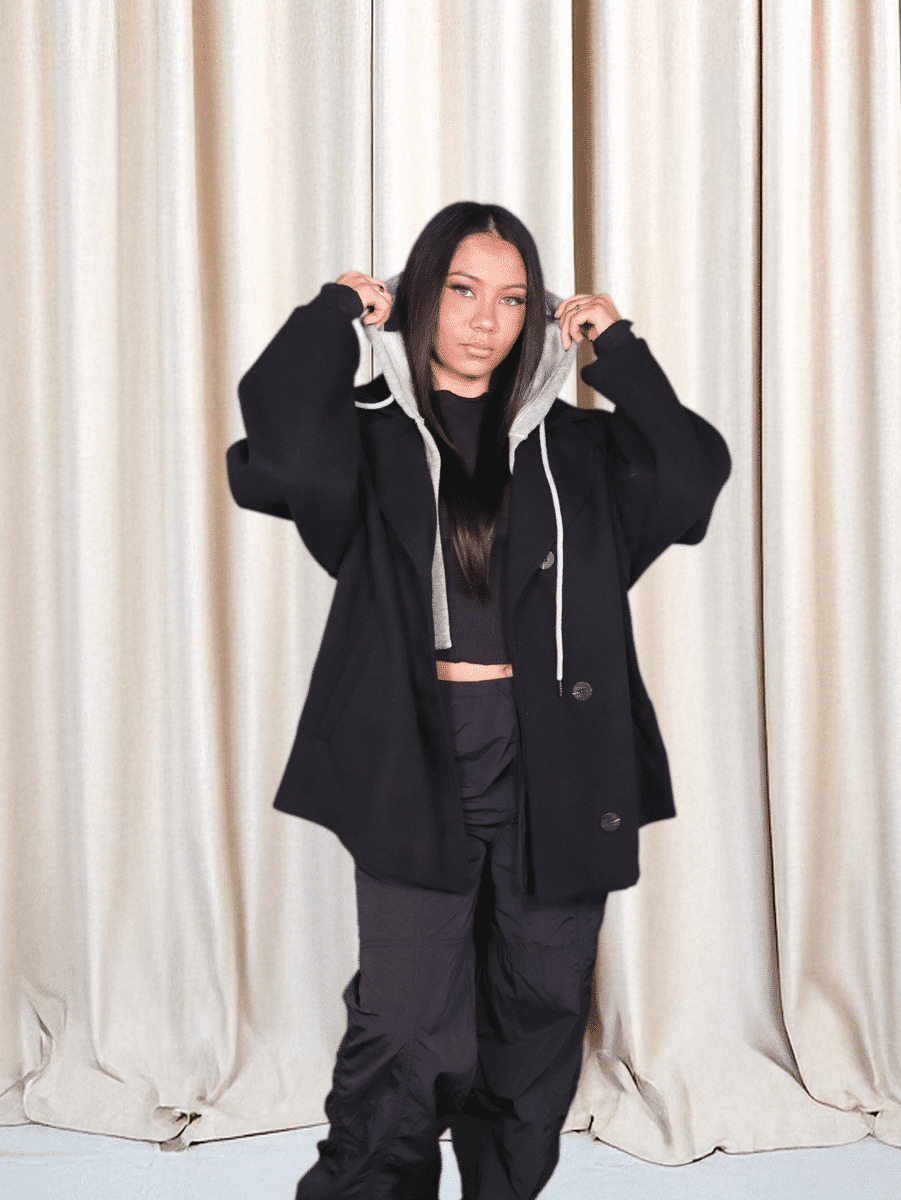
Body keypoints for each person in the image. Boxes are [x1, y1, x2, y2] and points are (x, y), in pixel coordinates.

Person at [226, 201, 732, 1200]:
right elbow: (275, 444)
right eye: (460, 290)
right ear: (420, 295)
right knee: (406, 1023)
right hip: (413, 751)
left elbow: (686, 478)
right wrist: (334, 314)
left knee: (537, 1010)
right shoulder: (364, 440)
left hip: (558, 754)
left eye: (509, 299)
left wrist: (618, 349)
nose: (482, 320)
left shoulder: (578, 450)